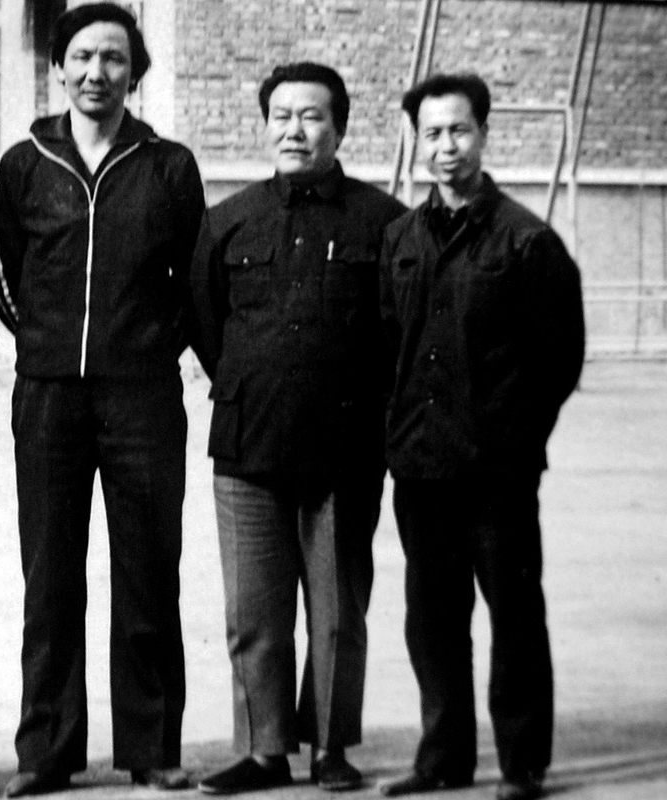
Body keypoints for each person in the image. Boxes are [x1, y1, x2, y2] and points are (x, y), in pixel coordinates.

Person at [0, 3, 206, 795]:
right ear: (58, 67)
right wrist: (47, 342)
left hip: (142, 397)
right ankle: (47, 751)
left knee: (147, 570)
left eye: (113, 58)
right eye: (81, 56)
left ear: (135, 71)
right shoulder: (25, 162)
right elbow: (4, 267)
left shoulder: (167, 165)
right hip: (49, 396)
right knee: (50, 577)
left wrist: (147, 346)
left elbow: (193, 278)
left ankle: (152, 747)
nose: (96, 73)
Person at [189, 62, 407, 795]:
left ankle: (331, 749)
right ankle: (263, 752)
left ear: (339, 128)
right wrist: (254, 382)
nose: (294, 129)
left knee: (338, 614)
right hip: (248, 443)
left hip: (347, 447)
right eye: (281, 116)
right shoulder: (228, 219)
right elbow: (205, 324)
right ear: (265, 126)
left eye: (311, 116)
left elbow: (397, 330)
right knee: (254, 612)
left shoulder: (385, 221)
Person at [378, 73, 585, 800]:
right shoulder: (400, 239)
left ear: (484, 134)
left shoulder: (528, 241)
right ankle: (443, 758)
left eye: (459, 130)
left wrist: (513, 437)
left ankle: (522, 764)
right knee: (432, 621)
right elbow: (386, 348)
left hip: (498, 472)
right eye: (432, 133)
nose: (446, 146)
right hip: (420, 468)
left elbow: (560, 359)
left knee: (515, 616)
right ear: (417, 141)